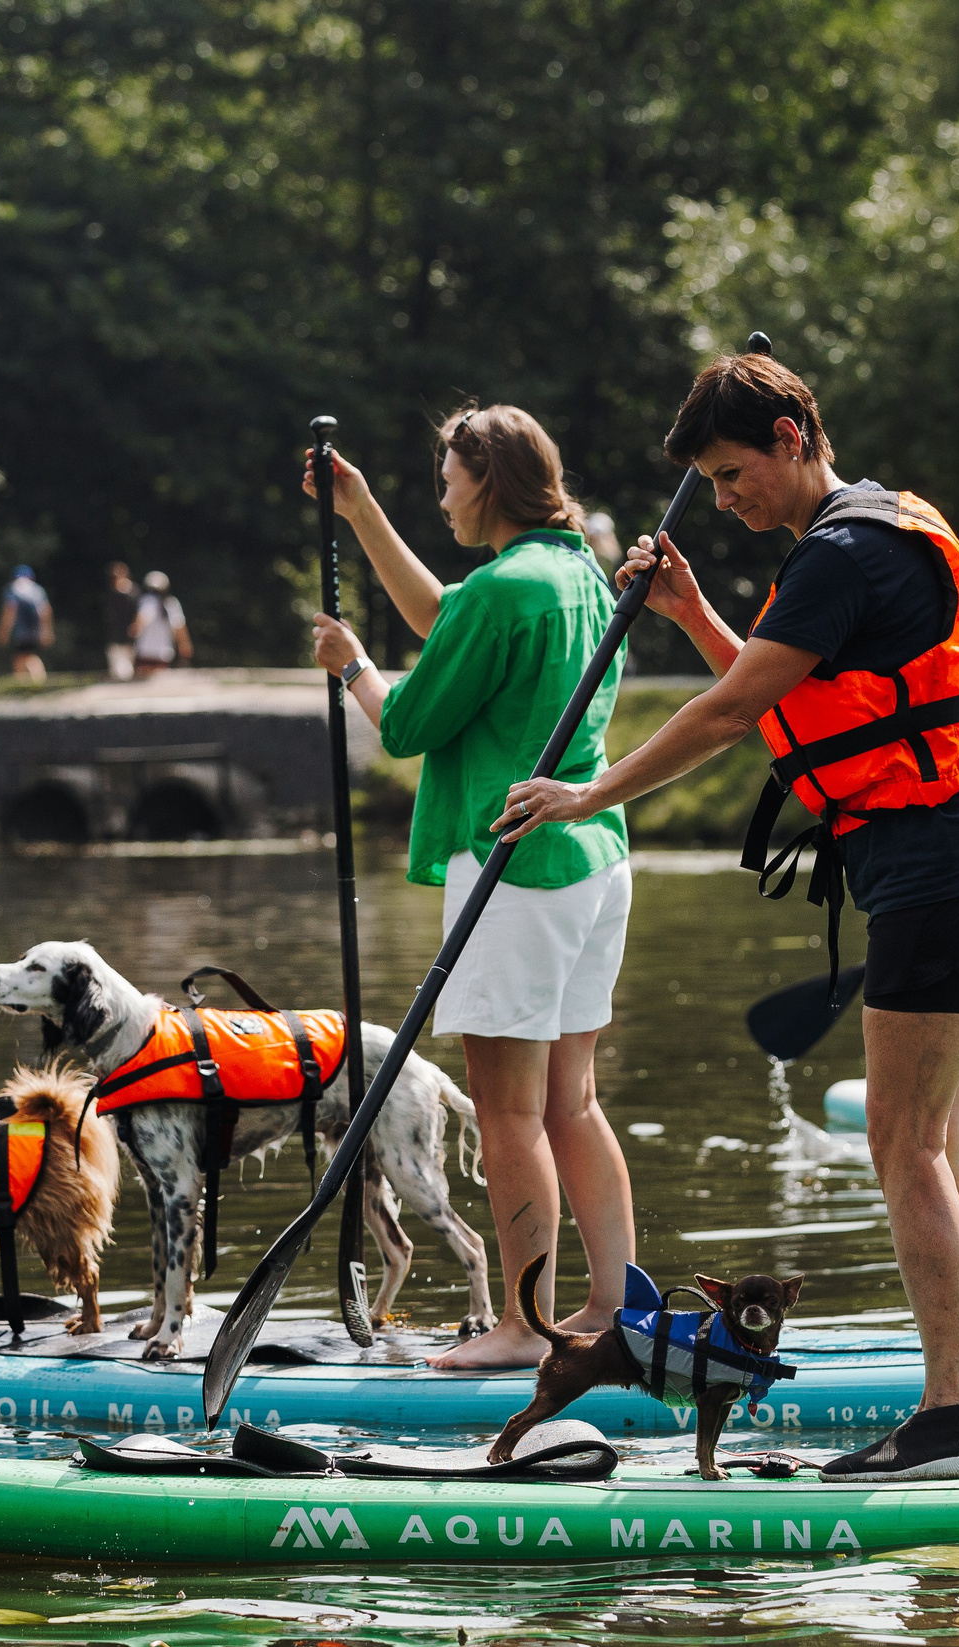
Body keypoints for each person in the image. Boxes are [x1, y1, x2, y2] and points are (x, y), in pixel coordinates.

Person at [496, 349, 959, 1481]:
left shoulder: (843, 555)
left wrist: (588, 793)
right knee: (934, 1144)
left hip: (942, 864)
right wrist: (693, 608)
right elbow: (786, 694)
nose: (726, 497)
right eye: (709, 480)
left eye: (735, 472)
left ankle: (951, 1420)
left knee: (903, 1142)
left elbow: (731, 709)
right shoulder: (869, 531)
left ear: (793, 439)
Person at [303, 402, 636, 1373]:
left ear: (485, 479)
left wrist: (352, 667)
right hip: (592, 861)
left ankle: (524, 1327)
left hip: (510, 871)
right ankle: (612, 1304)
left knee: (506, 1114)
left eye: (447, 477)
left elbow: (405, 723)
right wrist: (360, 512)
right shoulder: (569, 569)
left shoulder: (504, 592)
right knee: (571, 1101)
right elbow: (448, 620)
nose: (440, 494)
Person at [0, 563, 54, 681]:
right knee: (26, 656)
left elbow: (10, 612)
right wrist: (47, 631)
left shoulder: (12, 589)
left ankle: (32, 683)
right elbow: (46, 610)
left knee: (22, 658)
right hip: (36, 629)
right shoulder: (37, 589)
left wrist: (3, 633)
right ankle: (32, 682)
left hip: (21, 630)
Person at [131, 570, 190, 674]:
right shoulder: (172, 603)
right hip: (163, 651)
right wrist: (184, 644)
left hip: (145, 650)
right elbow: (179, 627)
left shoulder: (147, 601)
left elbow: (139, 623)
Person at [101, 562, 138, 680]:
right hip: (115, 638)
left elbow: (138, 614)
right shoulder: (112, 593)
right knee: (116, 672)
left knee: (126, 672)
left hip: (129, 639)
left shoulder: (133, 592)